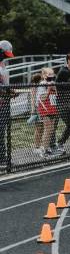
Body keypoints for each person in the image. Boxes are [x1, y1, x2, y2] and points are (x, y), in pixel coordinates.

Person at [36, 68, 60, 159]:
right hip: (45, 108)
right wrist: (49, 89)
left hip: (52, 107)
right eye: (49, 74)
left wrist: (54, 88)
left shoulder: (53, 83)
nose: (51, 76)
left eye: (52, 74)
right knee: (47, 129)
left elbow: (55, 96)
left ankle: (47, 148)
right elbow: (42, 98)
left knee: (51, 130)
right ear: (44, 75)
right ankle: (43, 150)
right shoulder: (42, 84)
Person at [0, 40, 14, 169]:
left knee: (3, 130)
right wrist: (6, 91)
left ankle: (3, 157)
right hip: (1, 101)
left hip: (4, 102)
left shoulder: (3, 65)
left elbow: (5, 85)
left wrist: (10, 91)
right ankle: (2, 158)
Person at [28, 72, 44, 155]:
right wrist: (33, 110)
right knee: (38, 128)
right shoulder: (34, 87)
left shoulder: (39, 87)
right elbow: (33, 99)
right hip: (36, 109)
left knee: (41, 128)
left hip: (40, 108)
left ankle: (39, 145)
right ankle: (36, 147)